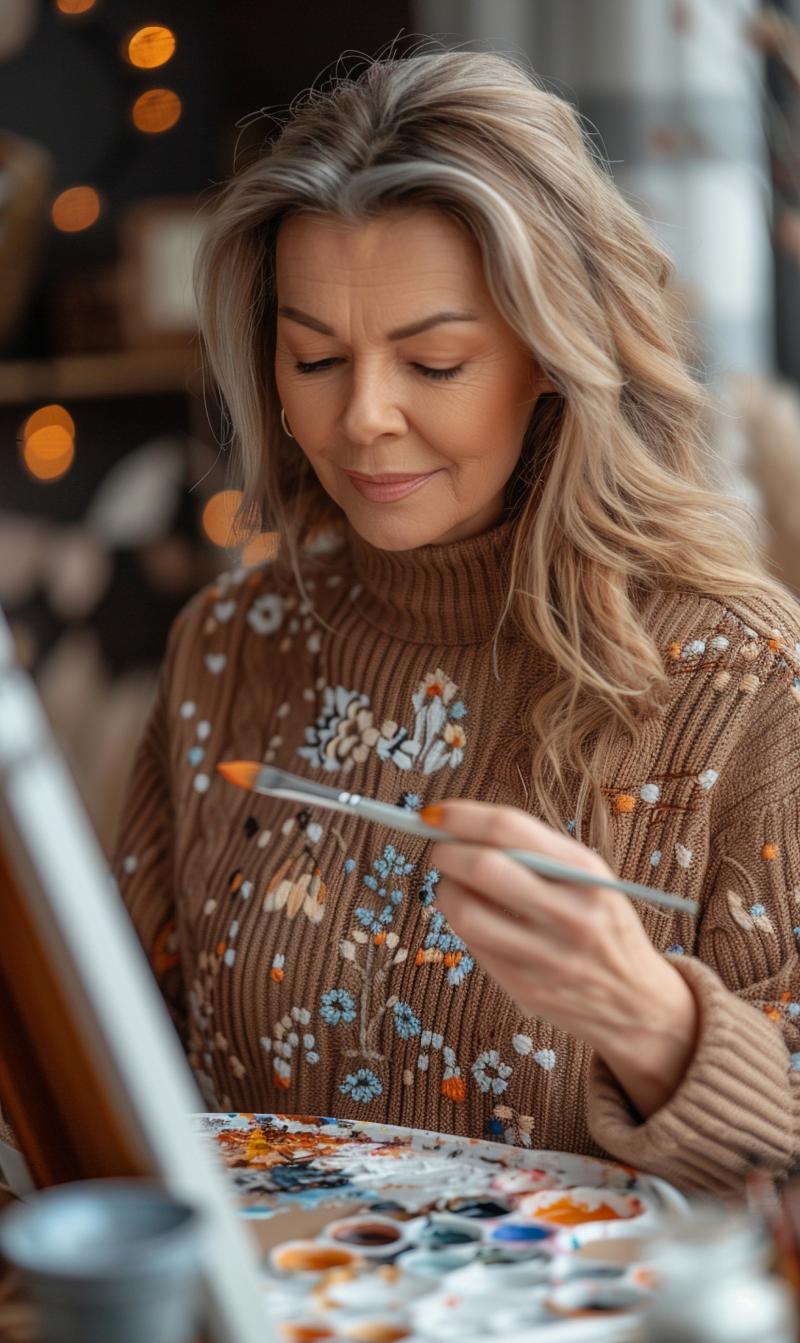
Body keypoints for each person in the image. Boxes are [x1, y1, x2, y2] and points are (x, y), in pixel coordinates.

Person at [114, 46, 800, 1193]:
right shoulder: (230, 643)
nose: (363, 417)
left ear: (553, 354)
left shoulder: (741, 677)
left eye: (433, 362)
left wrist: (649, 1018)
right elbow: (117, 1057)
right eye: (314, 357)